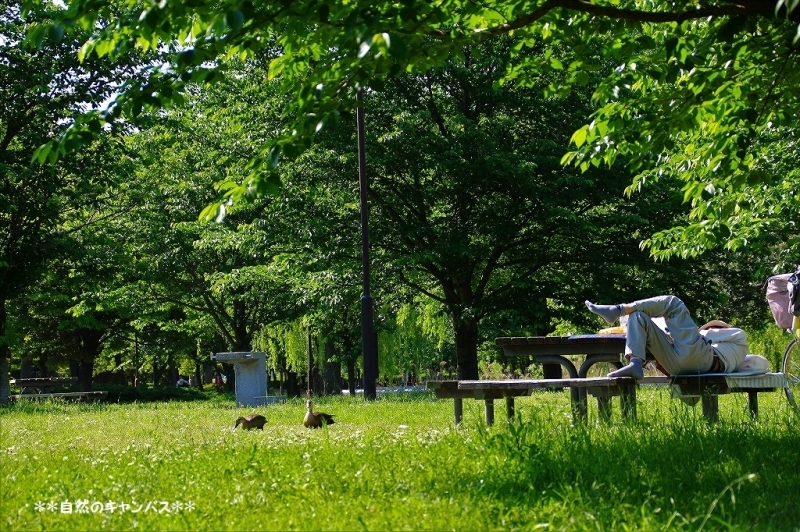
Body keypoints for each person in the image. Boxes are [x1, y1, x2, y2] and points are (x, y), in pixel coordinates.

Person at [585, 295, 748, 379]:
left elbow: (705, 335)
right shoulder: (731, 349)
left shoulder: (737, 336)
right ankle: (635, 363)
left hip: (705, 361)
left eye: (715, 327)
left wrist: (703, 331)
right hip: (680, 366)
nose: (711, 328)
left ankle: (618, 310)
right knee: (638, 316)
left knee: (674, 303)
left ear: (723, 329)